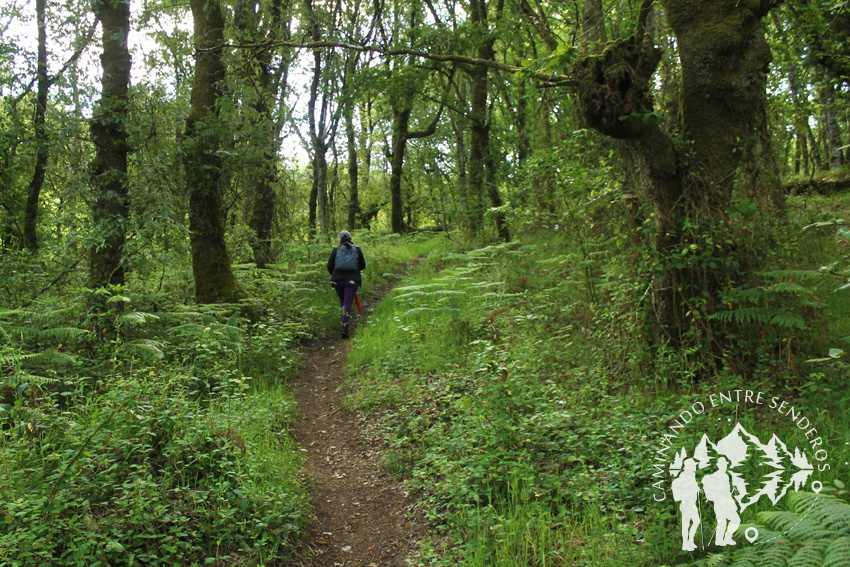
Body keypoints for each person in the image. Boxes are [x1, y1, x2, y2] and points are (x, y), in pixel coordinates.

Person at [327, 231, 366, 338]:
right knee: (348, 302)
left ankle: (344, 320)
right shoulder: (357, 249)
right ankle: (344, 325)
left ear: (340, 239)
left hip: (338, 281)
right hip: (352, 280)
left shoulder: (336, 249)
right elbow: (362, 265)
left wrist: (335, 275)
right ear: (350, 238)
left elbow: (329, 265)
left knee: (343, 302)